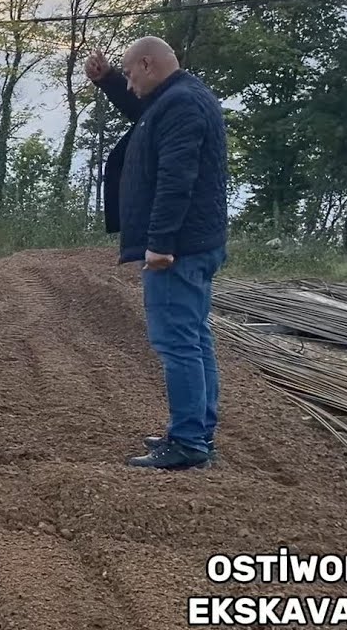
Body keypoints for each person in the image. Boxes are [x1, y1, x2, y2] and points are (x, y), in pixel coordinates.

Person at [84, 37, 230, 470]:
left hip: (180, 248)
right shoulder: (179, 98)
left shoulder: (182, 105)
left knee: (178, 343)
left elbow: (176, 177)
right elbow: (145, 120)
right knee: (195, 338)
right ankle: (197, 432)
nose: (129, 85)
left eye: (129, 75)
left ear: (148, 64)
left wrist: (161, 243)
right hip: (196, 242)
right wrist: (108, 81)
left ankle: (188, 444)